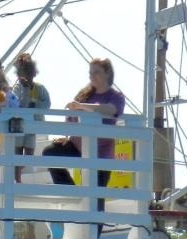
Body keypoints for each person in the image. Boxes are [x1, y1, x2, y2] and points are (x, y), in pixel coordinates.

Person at [41, 57, 125, 214]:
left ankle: (95, 236)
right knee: (49, 153)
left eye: (96, 72)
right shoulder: (84, 94)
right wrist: (66, 135)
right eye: (90, 72)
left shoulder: (115, 96)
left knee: (97, 200)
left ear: (107, 73)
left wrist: (82, 107)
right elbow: (71, 115)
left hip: (101, 155)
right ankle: (74, 195)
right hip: (78, 146)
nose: (92, 76)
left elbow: (111, 110)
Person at [9, 53, 52, 182]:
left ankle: (17, 171)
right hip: (19, 126)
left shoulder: (40, 89)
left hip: (33, 126)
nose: (27, 76)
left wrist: (34, 104)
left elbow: (47, 103)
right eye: (23, 72)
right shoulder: (17, 88)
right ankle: (17, 181)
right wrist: (25, 90)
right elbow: (19, 105)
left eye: (29, 72)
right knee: (17, 152)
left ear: (34, 73)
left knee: (28, 155)